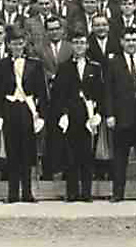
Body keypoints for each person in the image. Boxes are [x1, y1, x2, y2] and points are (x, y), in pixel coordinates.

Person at [0, 26, 47, 203]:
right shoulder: (0, 65)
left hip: (27, 109)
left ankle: (27, 193)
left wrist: (41, 116)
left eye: (20, 43)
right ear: (8, 45)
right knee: (12, 152)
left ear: (25, 44)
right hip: (9, 109)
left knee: (27, 152)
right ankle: (12, 193)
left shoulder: (35, 65)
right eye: (13, 44)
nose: (17, 47)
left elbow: (42, 93)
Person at [52, 31, 104, 202]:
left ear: (87, 45)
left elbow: (100, 93)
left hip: (89, 114)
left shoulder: (95, 67)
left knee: (87, 154)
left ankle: (87, 192)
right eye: (76, 43)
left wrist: (98, 113)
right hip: (71, 114)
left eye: (82, 42)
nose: (79, 46)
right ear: (71, 45)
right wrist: (62, 114)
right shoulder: (64, 67)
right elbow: (58, 94)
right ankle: (72, 192)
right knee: (71, 155)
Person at [105, 26, 136, 202]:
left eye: (134, 40)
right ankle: (118, 193)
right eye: (127, 40)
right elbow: (108, 91)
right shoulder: (114, 62)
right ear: (121, 42)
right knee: (120, 158)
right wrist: (110, 114)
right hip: (122, 117)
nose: (131, 43)